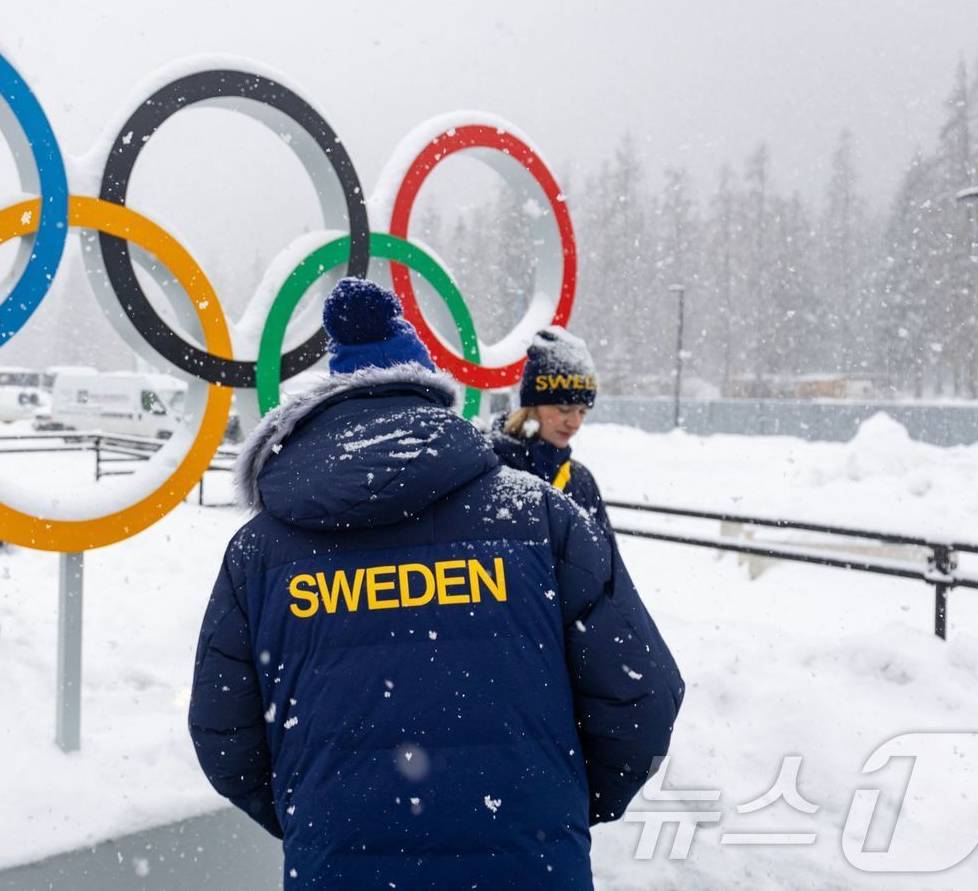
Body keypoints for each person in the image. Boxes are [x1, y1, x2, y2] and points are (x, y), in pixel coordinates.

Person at [189, 279, 683, 888]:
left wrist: (318, 814)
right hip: (529, 862)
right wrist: (559, 802)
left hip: (341, 867)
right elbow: (639, 695)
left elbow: (223, 732)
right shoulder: (537, 517)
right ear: (430, 392)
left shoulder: (259, 552)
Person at [490, 327, 610, 532]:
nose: (575, 423)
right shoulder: (492, 468)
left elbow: (608, 560)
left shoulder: (580, 480)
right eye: (564, 410)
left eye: (583, 412)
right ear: (531, 407)